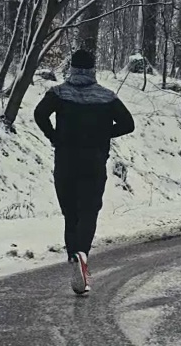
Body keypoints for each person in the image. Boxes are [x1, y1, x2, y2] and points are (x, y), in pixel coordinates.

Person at [34, 50, 135, 295]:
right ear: (92, 70)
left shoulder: (58, 93)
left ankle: (73, 256)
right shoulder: (106, 96)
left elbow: (39, 114)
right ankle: (82, 255)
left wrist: (54, 136)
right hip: (94, 161)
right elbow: (128, 124)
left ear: (71, 69)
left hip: (66, 160)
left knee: (71, 212)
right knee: (89, 211)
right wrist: (102, 134)